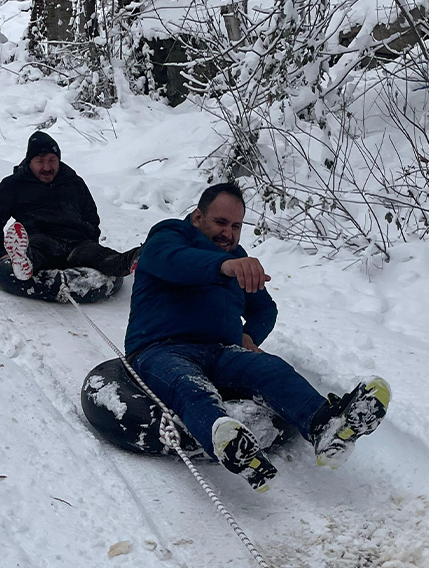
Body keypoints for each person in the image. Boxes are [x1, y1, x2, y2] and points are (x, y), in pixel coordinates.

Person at [124, 182, 391, 492]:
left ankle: (329, 428)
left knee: (272, 369)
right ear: (198, 218)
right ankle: (226, 440)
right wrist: (224, 266)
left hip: (220, 352)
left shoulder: (238, 258)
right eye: (220, 222)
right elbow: (175, 261)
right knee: (188, 385)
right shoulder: (168, 237)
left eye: (236, 226)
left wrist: (250, 335)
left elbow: (265, 309)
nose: (228, 233)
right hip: (160, 348)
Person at [0, 131, 140, 281]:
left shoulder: (73, 182)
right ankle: (22, 261)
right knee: (35, 254)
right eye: (40, 161)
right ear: (30, 161)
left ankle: (136, 258)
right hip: (41, 240)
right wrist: (1, 255)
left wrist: (91, 241)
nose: (47, 167)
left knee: (103, 257)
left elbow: (91, 216)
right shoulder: (14, 185)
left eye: (52, 160)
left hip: (77, 243)